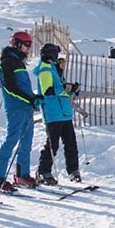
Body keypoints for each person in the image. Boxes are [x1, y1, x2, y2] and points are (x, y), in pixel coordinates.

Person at [0, 31, 43, 192]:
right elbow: (10, 88)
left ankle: (21, 175)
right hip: (16, 107)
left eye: (30, 45)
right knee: (11, 140)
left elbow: (23, 86)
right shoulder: (8, 62)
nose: (29, 48)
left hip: (26, 107)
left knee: (27, 142)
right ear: (17, 44)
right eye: (27, 44)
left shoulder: (19, 62)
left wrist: (34, 97)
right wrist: (29, 99)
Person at [34, 44, 82, 185]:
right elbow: (48, 91)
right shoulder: (45, 70)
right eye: (55, 54)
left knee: (70, 143)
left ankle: (73, 171)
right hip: (53, 112)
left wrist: (71, 89)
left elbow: (59, 89)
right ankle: (43, 171)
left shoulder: (52, 69)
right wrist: (66, 88)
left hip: (64, 112)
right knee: (52, 144)